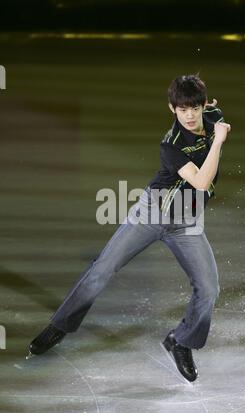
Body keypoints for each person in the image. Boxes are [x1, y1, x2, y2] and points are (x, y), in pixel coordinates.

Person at [28, 74, 231, 382]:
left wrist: (212, 114)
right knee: (103, 268)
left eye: (194, 107)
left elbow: (214, 108)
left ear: (203, 105)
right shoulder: (170, 146)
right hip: (151, 212)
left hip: (186, 220)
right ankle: (59, 326)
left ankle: (180, 340)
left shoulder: (210, 115)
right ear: (171, 109)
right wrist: (218, 140)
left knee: (209, 287)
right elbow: (202, 182)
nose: (188, 115)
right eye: (181, 109)